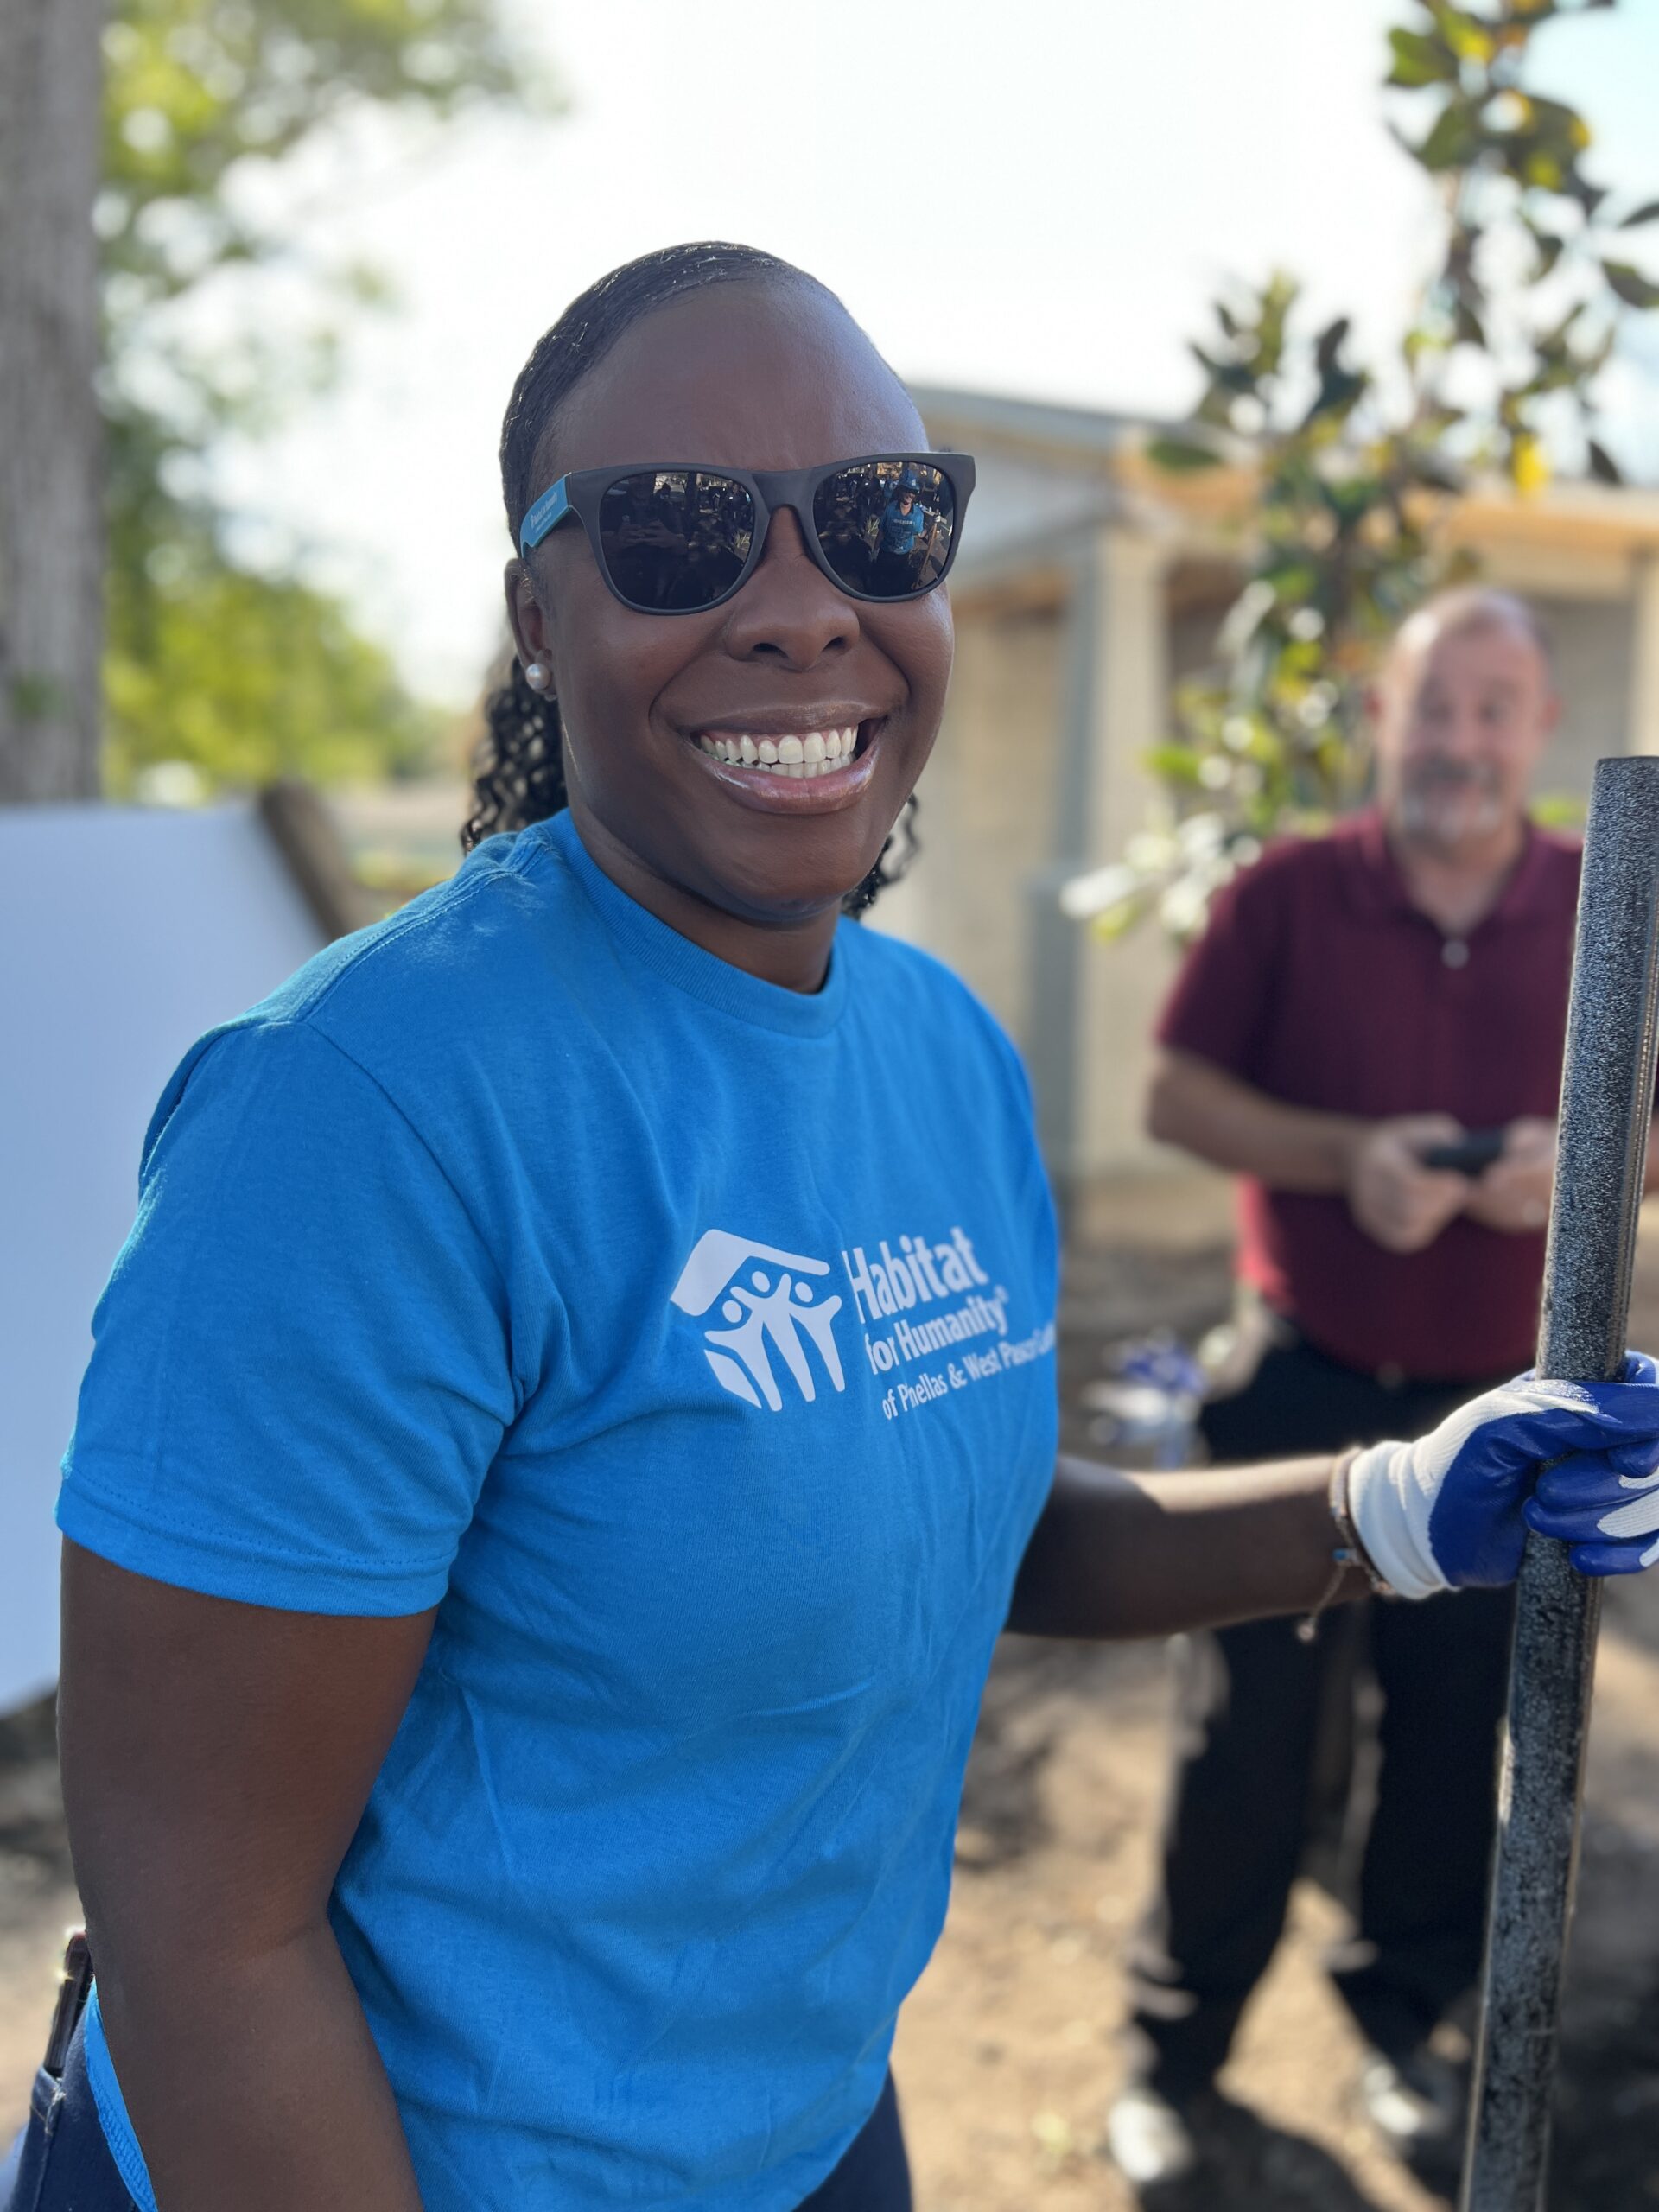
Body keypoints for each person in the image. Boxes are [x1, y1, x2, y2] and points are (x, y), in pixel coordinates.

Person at [14, 254, 1659, 2212]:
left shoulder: (941, 1054)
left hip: (802, 2138)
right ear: (539, 614)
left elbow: (965, 1515)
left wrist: (1390, 1504)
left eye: (880, 521)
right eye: (679, 531)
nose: (803, 607)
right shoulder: (358, 1120)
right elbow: (210, 1947)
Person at [1108, 588, 1635, 2195]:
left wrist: (1583, 1169)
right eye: (1433, 707)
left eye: (1492, 708)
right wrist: (1349, 1159)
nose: (1460, 741)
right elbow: (1173, 1096)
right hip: (1302, 1386)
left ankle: (1406, 2028)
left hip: (1511, 1402)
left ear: (1539, 728)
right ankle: (1175, 2057)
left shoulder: (1612, 906)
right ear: (1383, 721)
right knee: (1247, 1740)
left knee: (1456, 1739)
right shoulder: (1283, 893)